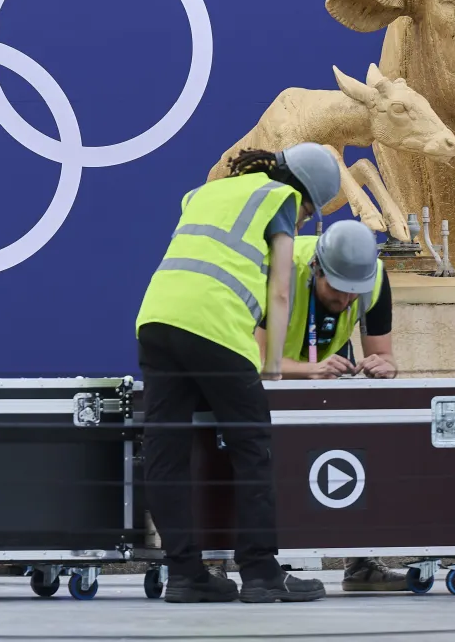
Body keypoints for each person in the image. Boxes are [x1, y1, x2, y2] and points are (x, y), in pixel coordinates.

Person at [135, 142, 343, 604]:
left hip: (156, 321)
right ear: (306, 195)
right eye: (310, 213)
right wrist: (272, 366)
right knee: (252, 449)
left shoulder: (205, 193)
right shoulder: (281, 200)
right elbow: (283, 288)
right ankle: (261, 573)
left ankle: (185, 574)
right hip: (216, 329)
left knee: (165, 454)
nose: (304, 219)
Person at [254, 218, 408, 592]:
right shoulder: (281, 268)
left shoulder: (373, 278)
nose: (344, 302)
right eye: (336, 291)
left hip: (322, 365)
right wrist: (307, 371)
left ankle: (360, 564)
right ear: (316, 269)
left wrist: (384, 366)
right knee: (254, 460)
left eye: (353, 294)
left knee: (355, 451)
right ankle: (226, 559)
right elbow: (253, 362)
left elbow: (383, 354)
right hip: (270, 370)